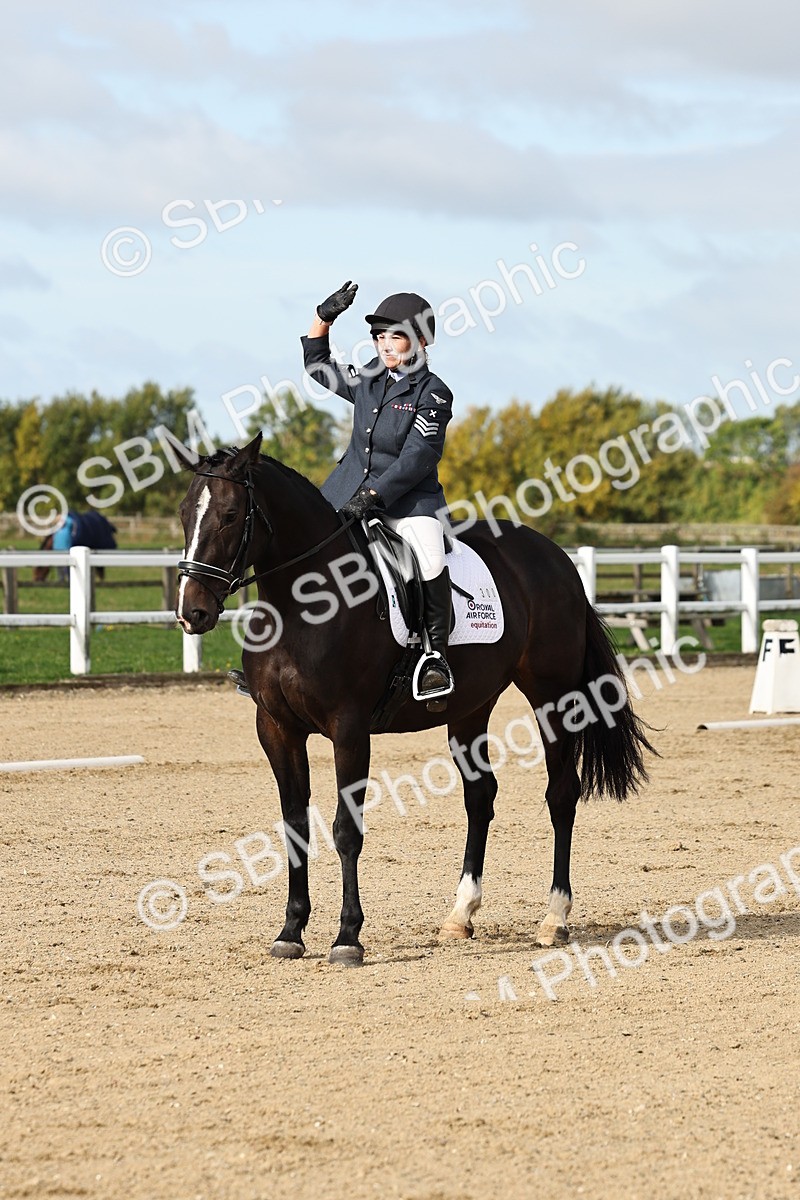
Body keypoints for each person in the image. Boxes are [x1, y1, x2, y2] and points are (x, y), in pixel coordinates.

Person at [301, 281, 455, 702]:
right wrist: (323, 317)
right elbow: (318, 367)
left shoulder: (434, 392)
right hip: (345, 492)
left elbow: (419, 456)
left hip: (408, 503)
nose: (385, 345)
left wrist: (375, 496)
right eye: (378, 336)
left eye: (396, 336)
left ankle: (435, 658)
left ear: (422, 340)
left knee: (428, 557)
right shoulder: (368, 377)